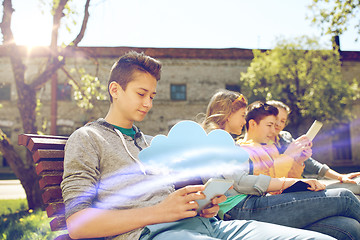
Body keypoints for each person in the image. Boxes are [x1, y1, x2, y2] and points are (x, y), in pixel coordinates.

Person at [60, 52, 333, 240]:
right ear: (115, 90)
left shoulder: (150, 142)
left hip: (208, 225)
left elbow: (172, 197)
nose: (148, 103)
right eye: (141, 94)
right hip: (158, 234)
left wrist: (200, 205)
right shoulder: (87, 139)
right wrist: (160, 213)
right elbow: (77, 225)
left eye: (153, 95)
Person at [201, 90, 360, 240]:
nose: (244, 121)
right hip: (243, 208)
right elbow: (241, 182)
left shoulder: (228, 143)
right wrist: (291, 180)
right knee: (344, 197)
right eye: (242, 115)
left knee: (348, 227)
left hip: (251, 203)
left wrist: (297, 164)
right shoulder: (220, 142)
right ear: (228, 115)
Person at [267, 100, 360, 194]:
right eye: (275, 119)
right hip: (291, 191)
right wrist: (289, 154)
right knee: (348, 192)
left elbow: (310, 163)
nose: (278, 124)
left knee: (357, 182)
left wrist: (340, 177)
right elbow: (272, 180)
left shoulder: (285, 137)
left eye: (282, 121)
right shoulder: (260, 145)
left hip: (303, 186)